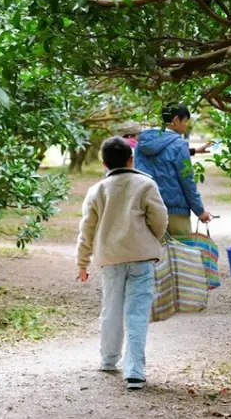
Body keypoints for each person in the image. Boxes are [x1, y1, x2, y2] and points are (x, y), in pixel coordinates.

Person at [76, 137, 168, 391]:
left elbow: (87, 230)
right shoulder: (146, 185)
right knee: (137, 314)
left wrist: (82, 262)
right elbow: (160, 219)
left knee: (111, 309)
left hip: (111, 260)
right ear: (132, 159)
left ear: (104, 163)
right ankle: (135, 372)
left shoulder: (98, 190)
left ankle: (108, 359)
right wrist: (151, 239)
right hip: (141, 259)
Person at [134, 104, 212, 236]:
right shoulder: (179, 144)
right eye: (185, 121)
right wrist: (200, 211)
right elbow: (187, 181)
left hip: (147, 210)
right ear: (176, 120)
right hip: (175, 213)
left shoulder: (141, 144)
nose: (185, 125)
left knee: (154, 253)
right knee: (181, 253)